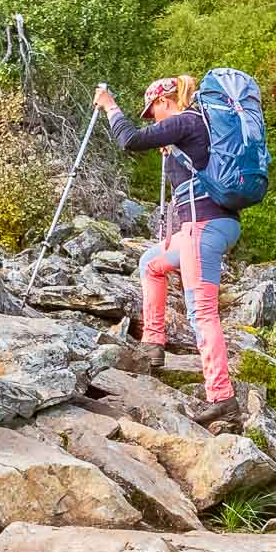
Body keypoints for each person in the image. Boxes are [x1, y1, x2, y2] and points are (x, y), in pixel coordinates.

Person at [94, 76, 240, 417]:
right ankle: (153, 345)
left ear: (165, 102)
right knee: (151, 262)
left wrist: (109, 105)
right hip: (218, 224)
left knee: (202, 313)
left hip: (202, 227)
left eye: (152, 111)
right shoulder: (198, 127)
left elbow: (129, 140)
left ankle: (222, 398)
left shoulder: (184, 121)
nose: (153, 118)